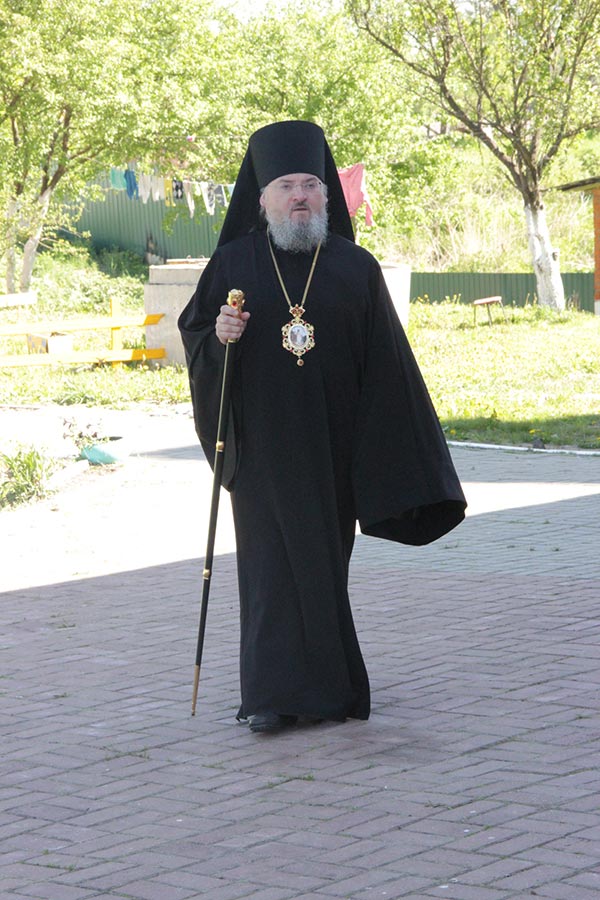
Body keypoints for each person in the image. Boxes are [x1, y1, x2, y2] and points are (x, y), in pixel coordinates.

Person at [178, 120, 466, 734]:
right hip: (261, 448)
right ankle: (268, 696)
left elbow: (388, 365)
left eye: (311, 185)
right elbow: (198, 333)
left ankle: (328, 691)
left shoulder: (356, 268)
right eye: (286, 187)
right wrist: (219, 336)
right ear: (262, 198)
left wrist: (387, 458)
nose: (300, 197)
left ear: (327, 196)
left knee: (323, 565)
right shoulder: (233, 263)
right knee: (267, 571)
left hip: (334, 446)